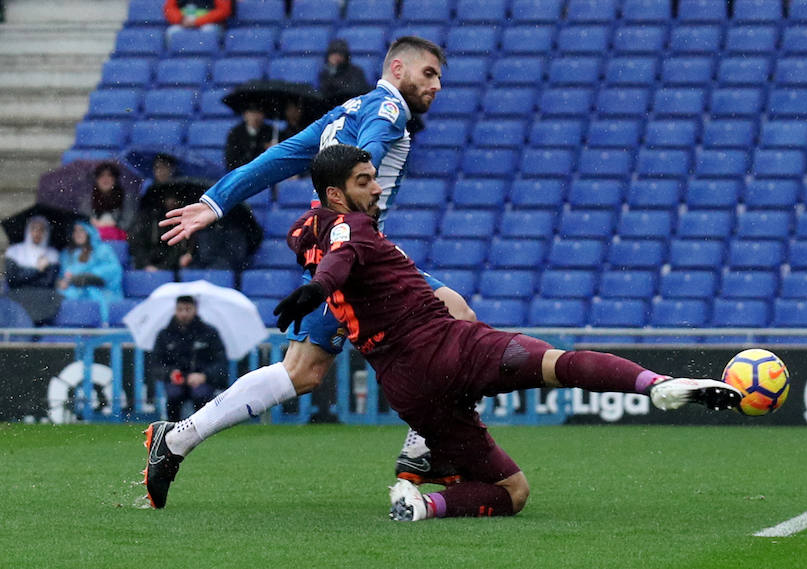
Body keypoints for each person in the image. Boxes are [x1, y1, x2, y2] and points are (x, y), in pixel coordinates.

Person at [142, 145, 742, 516]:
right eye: (365, 179)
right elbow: (345, 249)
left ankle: (422, 496)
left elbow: (328, 245)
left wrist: (321, 281)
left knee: (512, 491)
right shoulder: (371, 152)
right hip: (442, 348)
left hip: (403, 381)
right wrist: (321, 285)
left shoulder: (307, 228)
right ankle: (656, 385)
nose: (377, 187)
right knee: (556, 362)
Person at [150, 37, 470, 509]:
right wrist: (353, 207)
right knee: (452, 321)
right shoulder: (387, 111)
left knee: (307, 370)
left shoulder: (342, 113)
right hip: (356, 257)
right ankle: (424, 445)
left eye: (439, 77)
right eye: (429, 74)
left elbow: (274, 161)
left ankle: (176, 439)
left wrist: (214, 201)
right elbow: (366, 158)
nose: (437, 85)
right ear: (398, 68)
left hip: (349, 250)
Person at [151, 295, 228, 421]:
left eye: (188, 309)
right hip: (176, 381)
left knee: (201, 395)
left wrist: (204, 376)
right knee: (173, 395)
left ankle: (204, 428)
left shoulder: (209, 333)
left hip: (202, 381)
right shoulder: (164, 335)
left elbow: (221, 364)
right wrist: (170, 373)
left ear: (195, 310)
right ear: (175, 310)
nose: (184, 314)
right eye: (180, 309)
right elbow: (156, 364)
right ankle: (172, 431)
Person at [57, 221, 124, 324]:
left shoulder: (102, 250)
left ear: (89, 232)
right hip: (73, 292)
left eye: (81, 230)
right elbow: (63, 275)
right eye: (75, 231)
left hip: (99, 291)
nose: (78, 234)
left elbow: (113, 270)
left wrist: (85, 277)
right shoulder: (67, 254)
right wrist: (61, 282)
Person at [4, 216, 62, 325]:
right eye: (34, 228)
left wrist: (25, 277)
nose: (37, 233)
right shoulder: (14, 251)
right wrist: (38, 270)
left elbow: (48, 283)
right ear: (28, 230)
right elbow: (12, 280)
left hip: (42, 299)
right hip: (17, 296)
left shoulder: (52, 254)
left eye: (41, 230)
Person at [128, 182, 194, 272]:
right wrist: (146, 264)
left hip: (175, 269)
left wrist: (189, 254)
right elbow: (137, 243)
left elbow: (186, 248)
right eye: (168, 197)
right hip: (148, 267)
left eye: (175, 198)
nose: (171, 201)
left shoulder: (186, 220)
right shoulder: (148, 219)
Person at [81, 162, 135, 242]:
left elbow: (129, 222)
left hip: (119, 243)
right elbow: (82, 221)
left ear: (115, 179)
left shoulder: (126, 198)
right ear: (96, 179)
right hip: (92, 244)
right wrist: (91, 222)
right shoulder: (88, 199)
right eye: (101, 175)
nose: (105, 179)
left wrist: (114, 225)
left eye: (109, 175)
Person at [317, 39, 371, 110]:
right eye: (333, 54)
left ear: (345, 56)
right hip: (331, 108)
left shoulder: (356, 71)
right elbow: (324, 94)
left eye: (339, 54)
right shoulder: (325, 73)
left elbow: (356, 91)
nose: (336, 57)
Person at [224, 103, 275, 172]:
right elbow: (230, 161)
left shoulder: (271, 132)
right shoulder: (235, 133)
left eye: (259, 112)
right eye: (252, 113)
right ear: (245, 115)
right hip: (241, 173)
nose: (255, 117)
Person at [163, 0, 232, 43]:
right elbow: (169, 8)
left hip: (211, 25)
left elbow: (224, 10)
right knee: (171, 32)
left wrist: (197, 21)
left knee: (208, 31)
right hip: (183, 24)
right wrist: (181, 19)